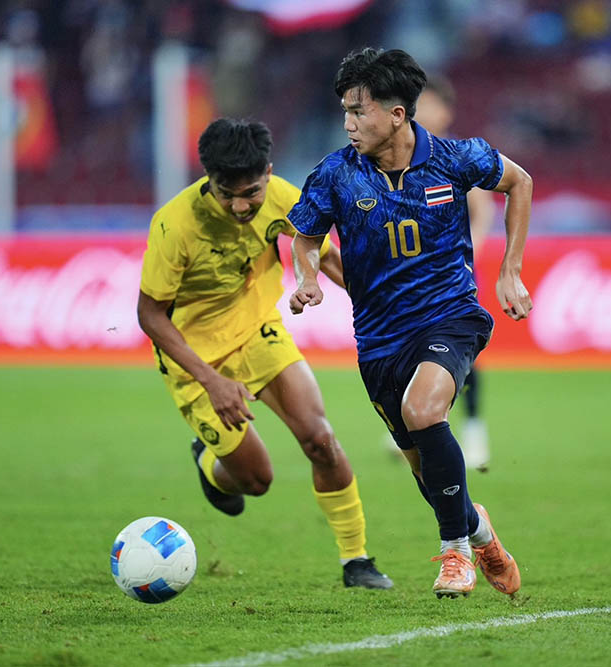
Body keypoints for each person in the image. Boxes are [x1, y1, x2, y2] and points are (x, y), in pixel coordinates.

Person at [288, 48, 532, 599]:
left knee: (422, 410)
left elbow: (520, 183)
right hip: (379, 340)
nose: (348, 124)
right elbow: (305, 236)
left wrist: (510, 271)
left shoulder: (455, 158)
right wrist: (307, 276)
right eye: (344, 112)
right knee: (426, 468)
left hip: (450, 315)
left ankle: (455, 557)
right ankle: (481, 532)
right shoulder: (334, 174)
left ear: (397, 114)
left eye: (359, 111)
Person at [137, 117, 392, 590]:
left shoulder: (280, 195)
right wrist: (211, 382)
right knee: (255, 482)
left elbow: (324, 251)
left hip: (258, 331)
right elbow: (150, 316)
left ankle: (356, 559)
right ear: (207, 178)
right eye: (225, 192)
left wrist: (376, 301)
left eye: (250, 192)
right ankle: (210, 467)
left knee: (320, 438)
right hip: (195, 359)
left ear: (269, 173)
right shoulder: (175, 225)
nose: (239, 204)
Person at [399, 74, 495, 472]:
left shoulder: (457, 156)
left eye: (433, 105)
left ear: (448, 111)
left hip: (454, 274)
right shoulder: (398, 159)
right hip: (410, 276)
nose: (426, 114)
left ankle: (474, 431)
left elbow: (484, 213)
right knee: (406, 348)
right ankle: (411, 425)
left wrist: (466, 257)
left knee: (463, 353)